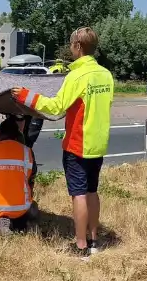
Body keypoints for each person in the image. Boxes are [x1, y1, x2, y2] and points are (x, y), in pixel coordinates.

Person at [12, 27, 113, 255]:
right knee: (91, 191)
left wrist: (27, 96)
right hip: (97, 144)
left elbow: (56, 107)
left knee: (78, 194)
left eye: (70, 45)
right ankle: (95, 240)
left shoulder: (76, 76)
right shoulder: (106, 74)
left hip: (78, 144)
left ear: (77, 46)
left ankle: (80, 246)